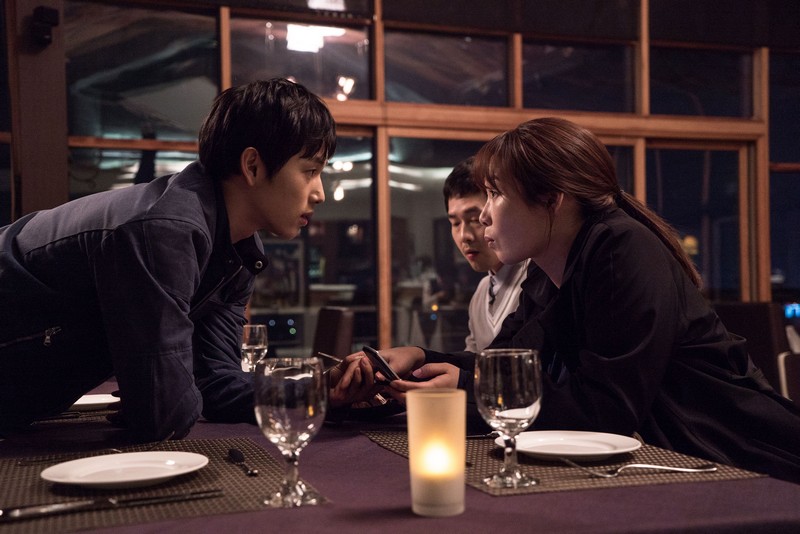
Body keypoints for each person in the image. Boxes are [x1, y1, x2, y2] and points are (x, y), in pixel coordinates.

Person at [341, 117, 800, 483]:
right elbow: (504, 364)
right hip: (672, 461)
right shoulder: (547, 270)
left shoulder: (621, 248)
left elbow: (605, 410)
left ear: (551, 199)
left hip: (740, 461)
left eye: (495, 194)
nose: (484, 216)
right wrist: (420, 358)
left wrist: (463, 387)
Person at [0, 78, 338, 442]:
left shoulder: (237, 250)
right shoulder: (165, 231)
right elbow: (165, 414)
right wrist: (163, 395)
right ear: (253, 165)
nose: (320, 193)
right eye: (310, 171)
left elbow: (218, 382)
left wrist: (321, 390)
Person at [444, 156, 528, 352]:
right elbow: (470, 361)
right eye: (455, 223)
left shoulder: (537, 280)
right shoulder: (481, 292)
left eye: (475, 219)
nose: (464, 236)